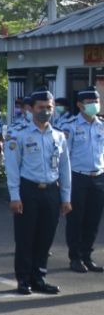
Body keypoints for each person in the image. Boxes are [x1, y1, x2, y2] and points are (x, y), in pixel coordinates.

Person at [5, 90, 71, 295]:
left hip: (51, 191)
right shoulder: (19, 134)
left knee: (45, 238)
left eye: (49, 107)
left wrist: (66, 198)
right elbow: (12, 167)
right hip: (28, 190)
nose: (46, 111)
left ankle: (39, 278)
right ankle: (23, 279)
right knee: (26, 238)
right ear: (31, 109)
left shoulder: (58, 135)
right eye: (41, 107)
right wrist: (15, 196)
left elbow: (64, 168)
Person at [65, 89, 104, 273]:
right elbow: (64, 156)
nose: (95, 104)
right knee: (76, 220)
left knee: (93, 220)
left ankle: (87, 256)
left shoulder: (102, 125)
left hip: (98, 177)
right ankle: (75, 257)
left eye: (96, 100)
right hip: (77, 177)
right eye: (90, 101)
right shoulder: (70, 126)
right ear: (80, 105)